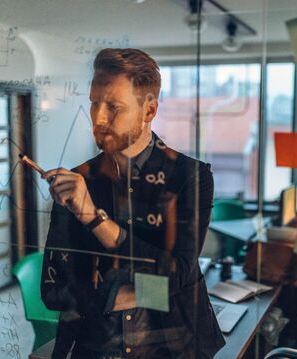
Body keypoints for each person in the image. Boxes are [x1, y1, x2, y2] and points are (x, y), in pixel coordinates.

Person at [41, 48, 225, 358]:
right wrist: (128, 291)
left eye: (113, 106)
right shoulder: (77, 181)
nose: (98, 118)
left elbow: (178, 273)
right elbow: (54, 290)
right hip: (93, 347)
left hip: (173, 348)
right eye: (94, 104)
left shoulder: (190, 176)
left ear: (149, 111)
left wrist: (94, 219)